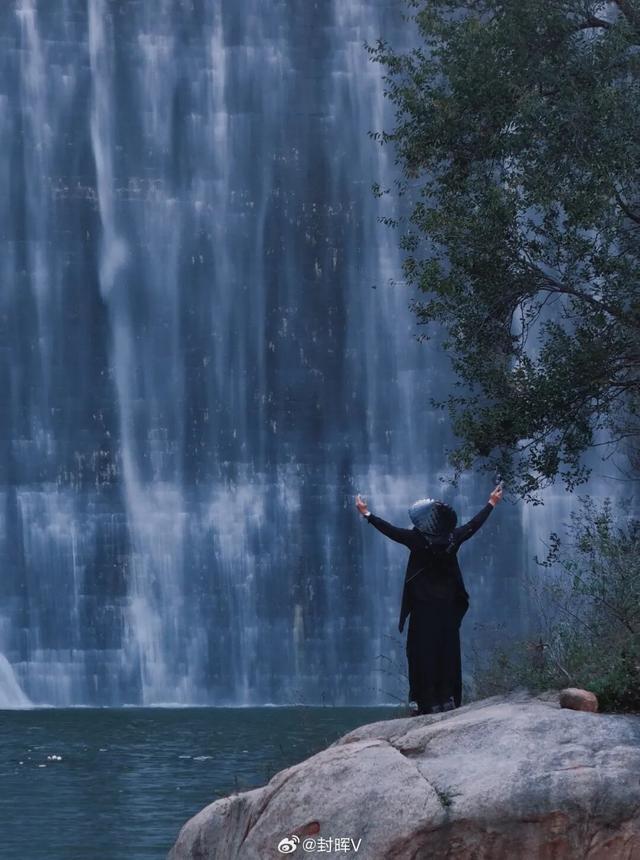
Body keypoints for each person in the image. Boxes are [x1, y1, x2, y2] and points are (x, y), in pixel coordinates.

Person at [355, 483, 503, 715]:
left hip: (423, 609)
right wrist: (491, 503)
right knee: (448, 651)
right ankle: (448, 698)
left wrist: (366, 513)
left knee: (421, 653)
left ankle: (427, 702)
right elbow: (474, 525)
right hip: (448, 608)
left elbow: (391, 530)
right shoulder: (453, 537)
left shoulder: (416, 540)